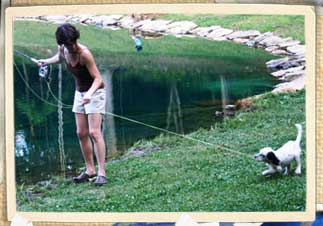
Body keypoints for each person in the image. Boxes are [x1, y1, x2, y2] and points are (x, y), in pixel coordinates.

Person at [38, 23, 107, 186]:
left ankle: (102, 173)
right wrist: (45, 62)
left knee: (94, 133)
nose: (73, 46)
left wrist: (90, 94)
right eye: (69, 44)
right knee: (81, 132)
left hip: (95, 92)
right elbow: (60, 58)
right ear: (62, 44)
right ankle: (90, 170)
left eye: (74, 41)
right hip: (80, 93)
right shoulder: (63, 50)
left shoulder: (84, 54)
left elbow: (98, 79)